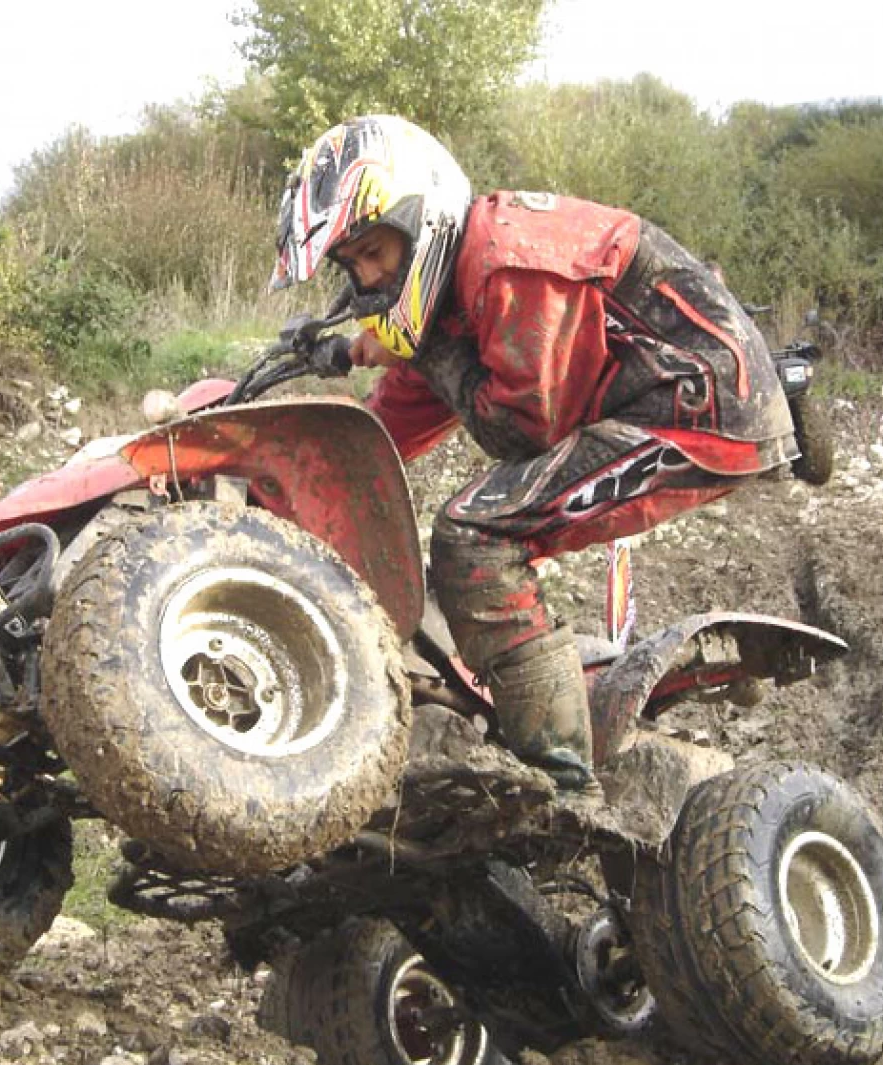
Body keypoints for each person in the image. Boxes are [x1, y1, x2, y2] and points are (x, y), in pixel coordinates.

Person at [269, 115, 801, 794]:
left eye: (376, 251)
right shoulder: (459, 286)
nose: (371, 277)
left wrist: (418, 349)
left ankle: (559, 786)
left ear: (420, 217)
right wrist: (306, 481)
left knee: (475, 536)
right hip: (654, 398)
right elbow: (385, 436)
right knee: (473, 537)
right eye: (355, 265)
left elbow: (526, 429)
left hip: (700, 409)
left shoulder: (510, 265)